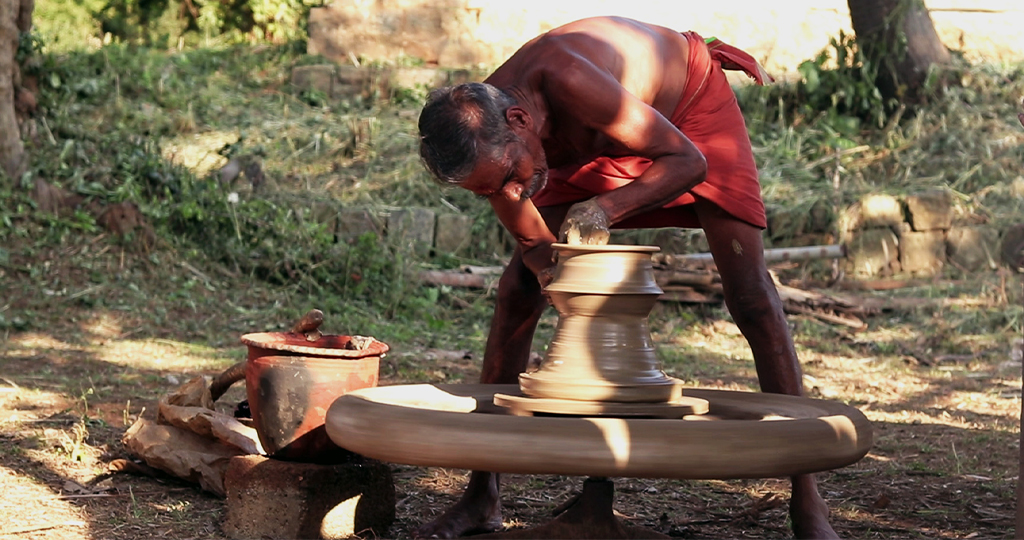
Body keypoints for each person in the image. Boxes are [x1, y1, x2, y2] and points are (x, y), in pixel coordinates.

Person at [415, 16, 837, 540]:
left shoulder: (566, 81)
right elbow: (533, 244)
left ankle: (808, 499)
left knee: (750, 294)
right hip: (580, 144)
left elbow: (688, 160)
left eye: (506, 179)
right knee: (518, 291)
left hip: (684, 117)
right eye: (488, 193)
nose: (510, 195)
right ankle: (481, 495)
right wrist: (557, 273)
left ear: (521, 119)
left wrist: (606, 209)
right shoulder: (497, 142)